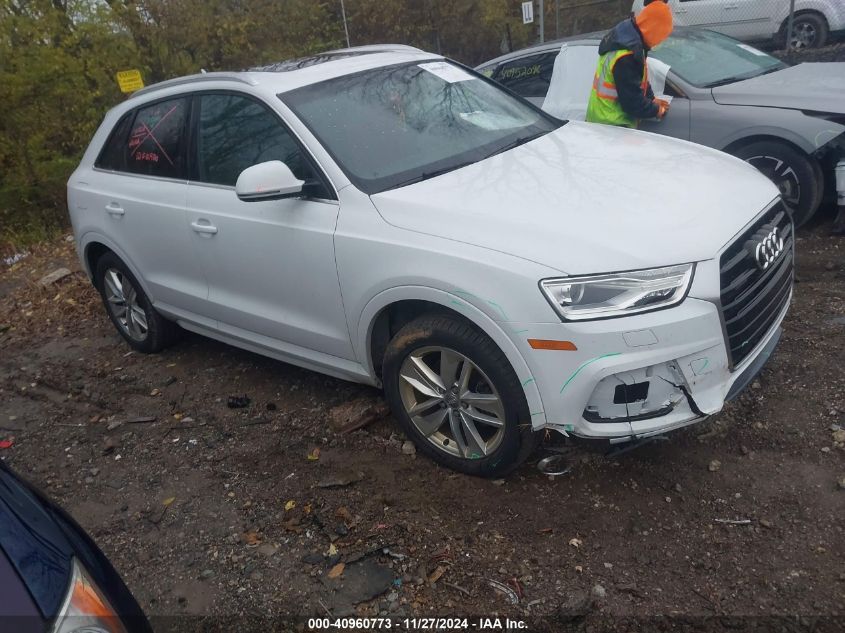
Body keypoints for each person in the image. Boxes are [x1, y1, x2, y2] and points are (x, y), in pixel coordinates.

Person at [586, 0, 674, 128]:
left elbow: (638, 78)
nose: (659, 41)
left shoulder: (630, 39)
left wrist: (651, 98)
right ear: (653, 29)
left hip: (604, 120)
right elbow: (632, 103)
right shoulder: (626, 56)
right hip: (611, 125)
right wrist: (656, 110)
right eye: (660, 35)